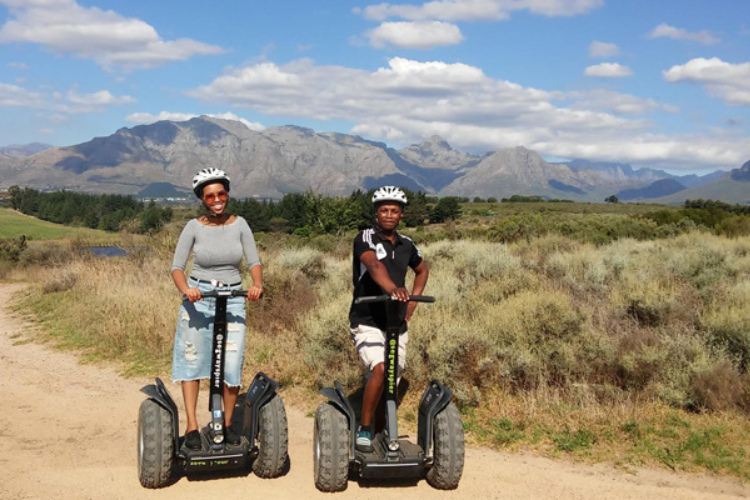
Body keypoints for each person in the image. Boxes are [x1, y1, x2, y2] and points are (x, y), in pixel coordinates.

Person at [170, 167, 264, 451]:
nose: (217, 199)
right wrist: (187, 289)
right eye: (210, 195)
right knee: (193, 361)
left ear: (227, 194)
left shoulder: (240, 224)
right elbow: (176, 268)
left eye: (221, 193)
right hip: (199, 298)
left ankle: (224, 423)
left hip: (233, 296)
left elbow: (253, 261)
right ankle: (191, 427)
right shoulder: (193, 227)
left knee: (231, 365)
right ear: (202, 199)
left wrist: (257, 283)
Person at [349, 186, 429, 452]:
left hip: (396, 323)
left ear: (401, 215)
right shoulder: (365, 238)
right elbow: (373, 265)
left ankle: (384, 430)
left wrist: (412, 304)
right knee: (382, 369)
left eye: (394, 211)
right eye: (384, 210)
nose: (389, 215)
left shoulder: (408, 244)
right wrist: (392, 288)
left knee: (390, 379)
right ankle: (364, 427)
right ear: (376, 212)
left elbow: (422, 270)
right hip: (367, 319)